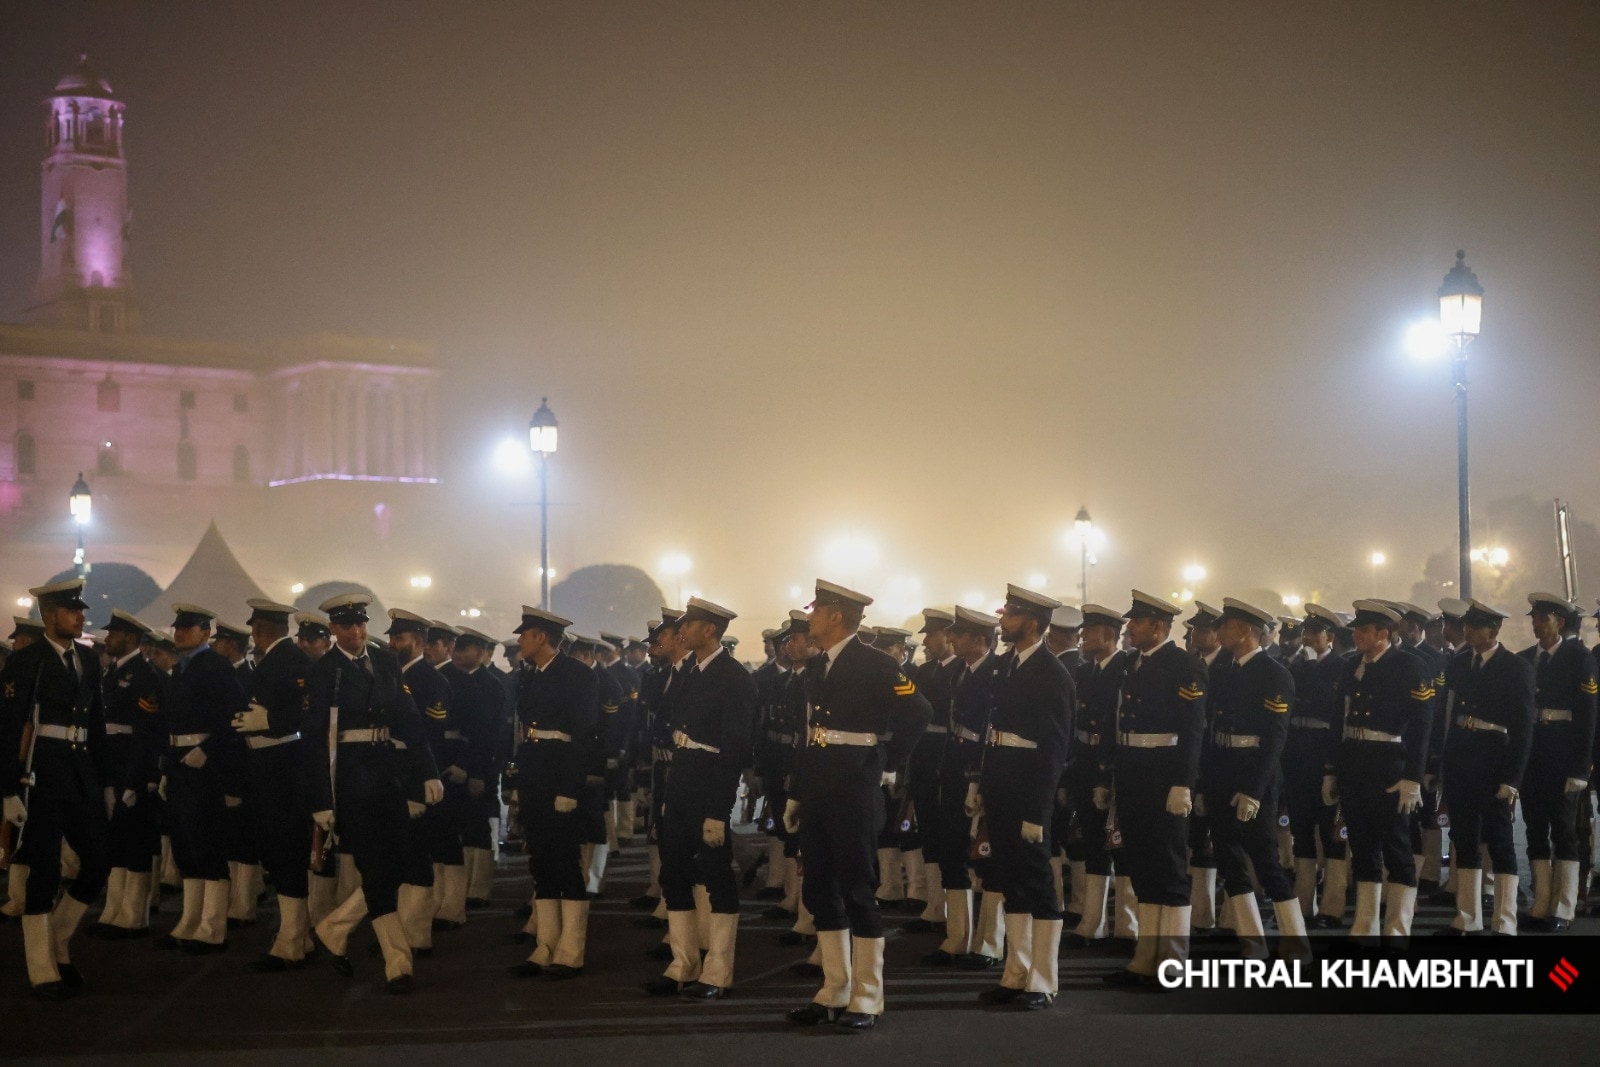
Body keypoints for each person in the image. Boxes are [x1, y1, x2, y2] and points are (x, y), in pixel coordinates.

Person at [784, 580, 930, 1031]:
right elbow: (810, 734)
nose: (810, 618)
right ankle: (834, 989)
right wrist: (797, 791)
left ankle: (867, 996)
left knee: (857, 890)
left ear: (836, 617)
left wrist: (889, 761)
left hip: (854, 786)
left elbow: (919, 711)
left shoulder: (876, 662)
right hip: (819, 785)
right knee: (819, 889)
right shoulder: (816, 666)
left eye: (816, 611)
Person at [305, 593, 443, 994]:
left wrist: (428, 772)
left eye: (361, 624)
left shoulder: (385, 661)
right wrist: (321, 801)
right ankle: (398, 965)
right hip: (349, 780)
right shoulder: (324, 671)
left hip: (387, 775)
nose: (356, 632)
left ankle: (334, 928)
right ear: (333, 629)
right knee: (377, 870)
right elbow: (314, 741)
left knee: (396, 865)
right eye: (346, 625)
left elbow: (410, 720)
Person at [0, 579, 111, 999]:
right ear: (49, 616)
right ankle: (41, 966)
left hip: (80, 772)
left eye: (80, 610)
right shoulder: (26, 660)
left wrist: (106, 780)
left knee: (98, 860)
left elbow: (95, 723)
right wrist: (7, 789)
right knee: (43, 872)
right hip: (41, 774)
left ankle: (59, 940)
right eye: (71, 610)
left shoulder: (88, 658)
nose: (80, 616)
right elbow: (9, 726)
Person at [644, 597, 757, 1001]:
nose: (681, 632)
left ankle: (718, 970)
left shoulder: (734, 677)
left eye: (689, 625)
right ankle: (683, 964)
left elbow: (734, 749)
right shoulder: (690, 670)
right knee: (674, 871)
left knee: (716, 875)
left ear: (709, 630)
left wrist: (718, 810)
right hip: (682, 780)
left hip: (710, 784)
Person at [972, 585, 1074, 1011]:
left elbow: (1054, 749)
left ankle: (1043, 979)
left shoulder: (1053, 673)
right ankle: (1016, 972)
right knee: (1010, 879)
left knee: (1037, 883)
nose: (1003, 619)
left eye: (1010, 614)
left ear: (1032, 623)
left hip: (1029, 790)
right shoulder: (1006, 666)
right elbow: (991, 732)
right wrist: (980, 784)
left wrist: (1038, 810)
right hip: (1001, 785)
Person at [1103, 591, 1206, 987]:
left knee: (1170, 867)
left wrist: (1183, 783)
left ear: (1159, 628)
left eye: (1137, 622)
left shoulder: (1184, 665)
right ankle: (1146, 957)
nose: (1129, 627)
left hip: (1165, 774)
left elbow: (1192, 730)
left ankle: (1173, 961)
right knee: (1142, 866)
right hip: (1133, 772)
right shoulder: (1132, 663)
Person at [1201, 599, 1307, 961]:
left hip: (1253, 773)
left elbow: (1275, 738)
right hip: (1222, 770)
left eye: (1226, 626)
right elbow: (1211, 729)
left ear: (1246, 630)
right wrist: (1204, 784)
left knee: (1265, 861)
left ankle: (1296, 942)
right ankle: (1252, 943)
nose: (1219, 632)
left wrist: (1254, 790)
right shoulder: (1224, 670)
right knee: (1229, 860)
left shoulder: (1274, 674)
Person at [1325, 600, 1433, 942]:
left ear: (1383, 633)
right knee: (1362, 846)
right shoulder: (1351, 665)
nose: (1356, 635)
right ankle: (1365, 925)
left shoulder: (1409, 666)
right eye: (1356, 629)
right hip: (1354, 762)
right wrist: (1332, 769)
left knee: (1397, 847)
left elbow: (1422, 728)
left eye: (1364, 630)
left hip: (1389, 765)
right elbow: (1338, 720)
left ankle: (1397, 929)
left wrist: (1413, 777)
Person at [507, 607, 600, 980]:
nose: (520, 641)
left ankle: (571, 950)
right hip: (534, 775)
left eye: (525, 635)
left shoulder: (577, 675)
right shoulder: (531, 675)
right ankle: (545, 945)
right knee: (541, 862)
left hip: (560, 776)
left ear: (541, 637)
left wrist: (569, 788)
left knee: (565, 862)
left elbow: (584, 736)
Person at [1436, 600, 1535, 936]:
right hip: (1461, 757)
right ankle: (1467, 917)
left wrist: (1513, 778)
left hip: (1495, 759)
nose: (1468, 631)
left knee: (1500, 841)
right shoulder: (1459, 663)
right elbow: (1448, 714)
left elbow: (1523, 729)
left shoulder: (1516, 667)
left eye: (1475, 626)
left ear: (1493, 630)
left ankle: (1505, 921)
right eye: (1467, 625)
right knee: (1464, 839)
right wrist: (1442, 762)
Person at [157, 603, 249, 956]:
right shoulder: (182, 668)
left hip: (204, 766)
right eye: (178, 628)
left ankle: (212, 928)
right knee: (185, 845)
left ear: (206, 633)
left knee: (207, 844)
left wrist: (208, 749)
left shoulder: (215, 666)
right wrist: (167, 766)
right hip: (180, 762)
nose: (180, 633)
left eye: (189, 628)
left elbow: (237, 716)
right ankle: (189, 921)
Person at [924, 606, 1004, 968]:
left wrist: (979, 779)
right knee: (952, 852)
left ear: (980, 640)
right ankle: (957, 938)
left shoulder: (997, 673)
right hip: (954, 770)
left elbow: (991, 733)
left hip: (981, 772)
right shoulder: (960, 669)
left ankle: (989, 943)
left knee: (988, 858)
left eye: (959, 634)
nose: (951, 639)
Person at [1519, 594, 1597, 933]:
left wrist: (1581, 767)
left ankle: (1564, 906)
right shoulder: (1526, 659)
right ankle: (1541, 902)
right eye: (1534, 618)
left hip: (1563, 755)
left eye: (1542, 618)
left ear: (1559, 623)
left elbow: (1588, 717)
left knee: (1564, 830)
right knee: (1535, 829)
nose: (1535, 624)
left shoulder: (1579, 658)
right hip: (1533, 755)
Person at [88, 609, 165, 942]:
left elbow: (147, 733)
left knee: (135, 842)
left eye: (114, 634)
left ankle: (134, 916)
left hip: (131, 768)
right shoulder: (113, 672)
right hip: (113, 765)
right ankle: (113, 910)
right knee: (116, 840)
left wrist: (138, 780)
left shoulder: (145, 675)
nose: (108, 639)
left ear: (131, 638)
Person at [1062, 605, 1131, 948]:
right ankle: (1093, 923)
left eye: (1090, 632)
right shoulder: (1086, 670)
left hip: (1115, 767)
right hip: (1085, 763)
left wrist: (1109, 772)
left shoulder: (1125, 669)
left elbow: (1121, 726)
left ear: (1109, 635)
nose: (1083, 637)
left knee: (1123, 845)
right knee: (1091, 843)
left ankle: (1129, 926)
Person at [1285, 604, 1351, 928]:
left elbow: (1331, 709)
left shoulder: (1341, 667)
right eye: (1306, 632)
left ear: (1331, 637)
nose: (1308, 638)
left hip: (1325, 754)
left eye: (1315, 633)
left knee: (1331, 834)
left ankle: (1332, 906)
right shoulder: (1296, 665)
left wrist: (1332, 767)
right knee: (1301, 831)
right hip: (1298, 756)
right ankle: (1303, 902)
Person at [904, 608, 957, 934]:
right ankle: (935, 905)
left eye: (931, 635)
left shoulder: (962, 670)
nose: (925, 642)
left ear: (947, 636)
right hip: (924, 758)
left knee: (952, 834)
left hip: (949, 758)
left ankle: (954, 908)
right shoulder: (924, 672)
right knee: (929, 832)